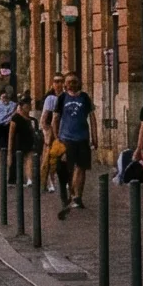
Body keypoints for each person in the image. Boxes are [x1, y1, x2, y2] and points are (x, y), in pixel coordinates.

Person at [53, 75, 94, 216]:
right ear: (65, 84)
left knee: (81, 167)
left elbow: (92, 117)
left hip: (82, 138)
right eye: (69, 82)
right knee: (70, 168)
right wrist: (57, 137)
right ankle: (71, 192)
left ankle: (78, 197)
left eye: (75, 81)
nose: (72, 84)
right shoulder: (62, 98)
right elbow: (55, 119)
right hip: (66, 139)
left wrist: (94, 137)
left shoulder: (84, 97)